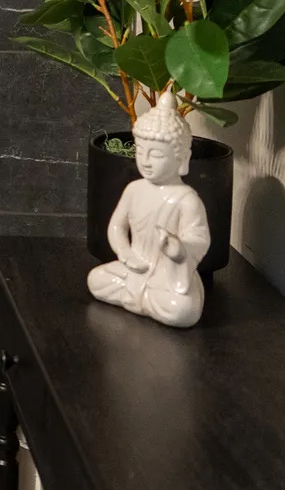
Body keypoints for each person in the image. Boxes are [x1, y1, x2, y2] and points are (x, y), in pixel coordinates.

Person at [87, 101, 210, 329]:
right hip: (134, 267)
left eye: (156, 155)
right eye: (141, 152)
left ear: (182, 158)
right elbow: (117, 227)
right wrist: (125, 254)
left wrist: (179, 250)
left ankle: (139, 299)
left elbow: (199, 239)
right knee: (96, 280)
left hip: (167, 277)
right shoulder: (134, 189)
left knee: (182, 309)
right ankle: (142, 301)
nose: (145, 161)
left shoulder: (187, 199)